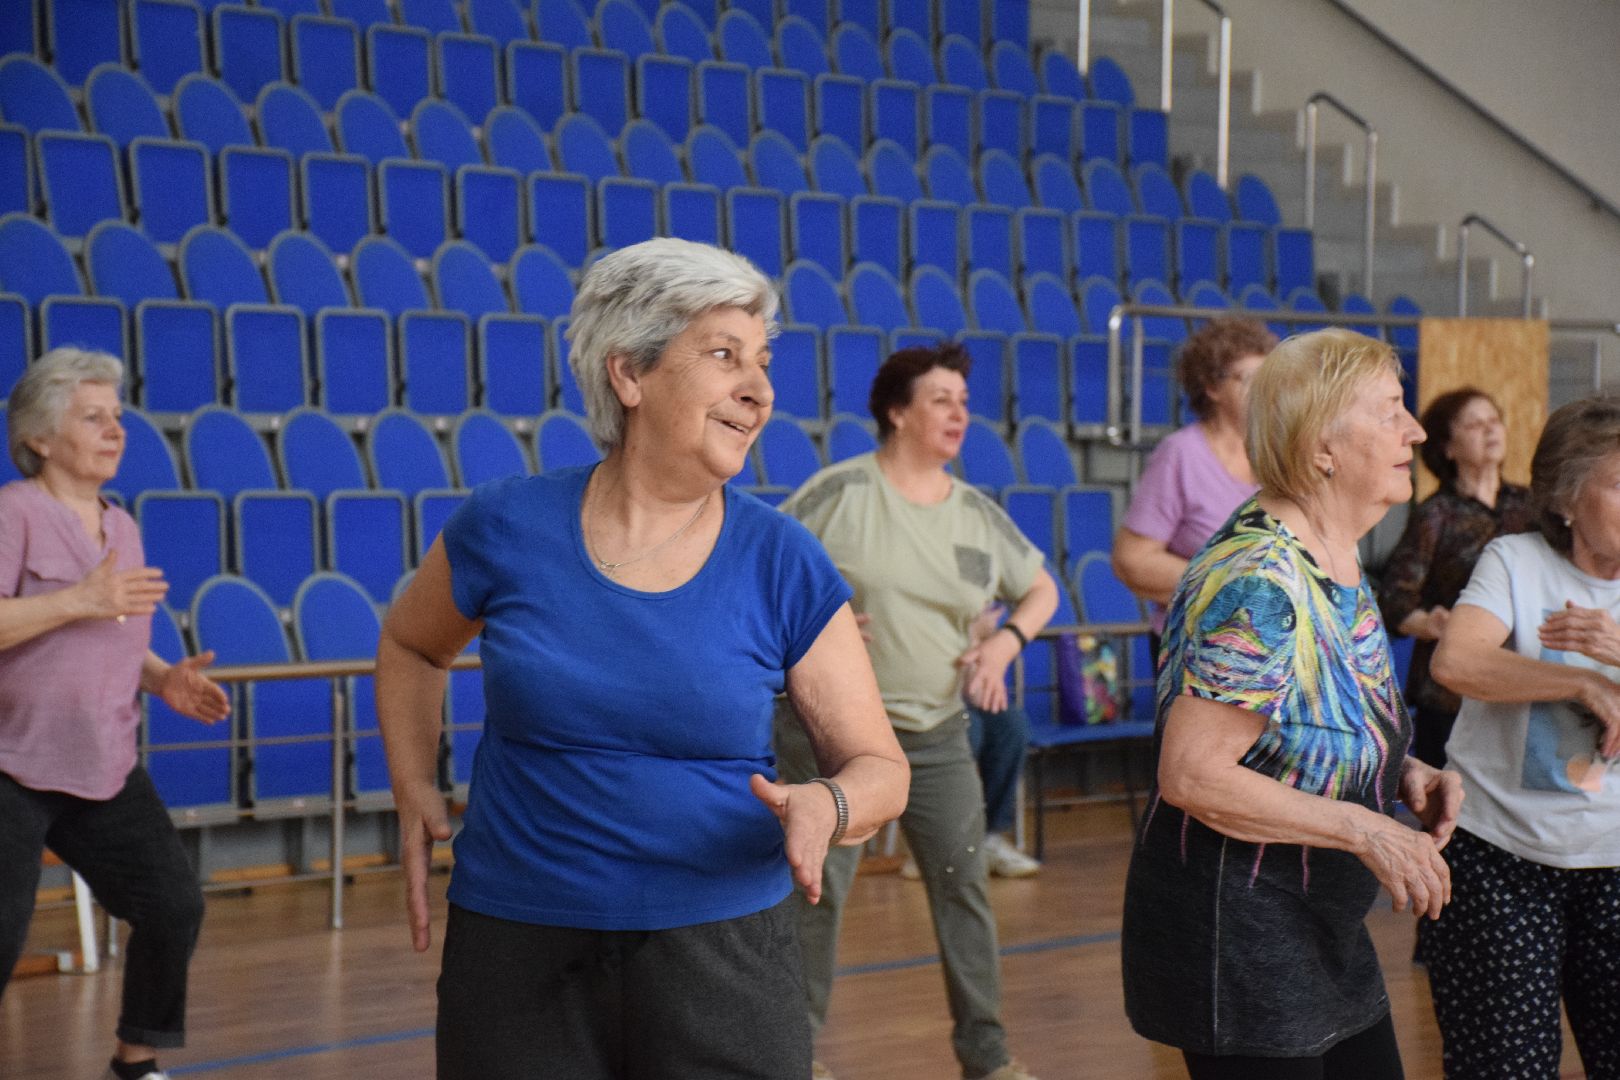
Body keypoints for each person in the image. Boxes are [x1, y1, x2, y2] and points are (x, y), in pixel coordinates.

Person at [375, 237, 909, 1080]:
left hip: (723, 953)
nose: (759, 389)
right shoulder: (505, 526)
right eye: (724, 355)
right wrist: (412, 785)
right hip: (519, 947)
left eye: (763, 362)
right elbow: (411, 643)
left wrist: (830, 805)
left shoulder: (783, 559)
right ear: (629, 375)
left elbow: (881, 764)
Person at [1120, 329, 1464, 1079]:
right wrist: (1369, 830)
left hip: (1316, 923)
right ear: (1321, 448)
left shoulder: (1336, 554)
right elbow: (1194, 775)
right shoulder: (1261, 580)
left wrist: (1399, 769)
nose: (1414, 431)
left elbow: (1319, 713)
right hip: (1239, 936)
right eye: (1391, 412)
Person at [775, 342, 1061, 1080]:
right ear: (897, 412)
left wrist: (1003, 643)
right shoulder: (839, 493)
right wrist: (810, 625)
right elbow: (759, 570)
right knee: (818, 895)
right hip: (830, 732)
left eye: (964, 400)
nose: (959, 412)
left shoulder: (975, 513)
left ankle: (987, 1056)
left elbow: (1041, 589)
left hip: (936, 733)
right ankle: (794, 1054)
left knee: (964, 885)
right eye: (941, 398)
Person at [0, 348, 230, 1080]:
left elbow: (115, 635)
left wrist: (162, 678)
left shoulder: (121, 525)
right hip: (11, 763)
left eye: (119, 417)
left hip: (104, 758)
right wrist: (81, 600)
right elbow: (75, 612)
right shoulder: (14, 513)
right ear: (39, 435)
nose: (115, 429)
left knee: (171, 907)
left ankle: (136, 1063)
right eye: (92, 417)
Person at [1425, 396, 1620, 1078]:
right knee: (1503, 1067)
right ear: (1566, 498)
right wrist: (1578, 682)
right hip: (1499, 862)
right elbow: (1456, 662)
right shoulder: (1515, 559)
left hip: (1617, 865)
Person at [1378, 388, 1533, 767]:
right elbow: (1395, 600)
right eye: (1475, 424)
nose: (1490, 430)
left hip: (1523, 677)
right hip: (1450, 692)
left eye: (1494, 420)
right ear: (1448, 446)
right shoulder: (1436, 514)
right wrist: (1431, 623)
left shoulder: (1531, 506)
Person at [1113, 318, 1277, 645]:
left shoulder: (1277, 452)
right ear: (1212, 387)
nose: (1264, 390)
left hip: (1266, 645)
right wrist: (1229, 583)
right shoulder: (1181, 454)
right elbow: (1132, 560)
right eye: (1249, 379)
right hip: (1195, 644)